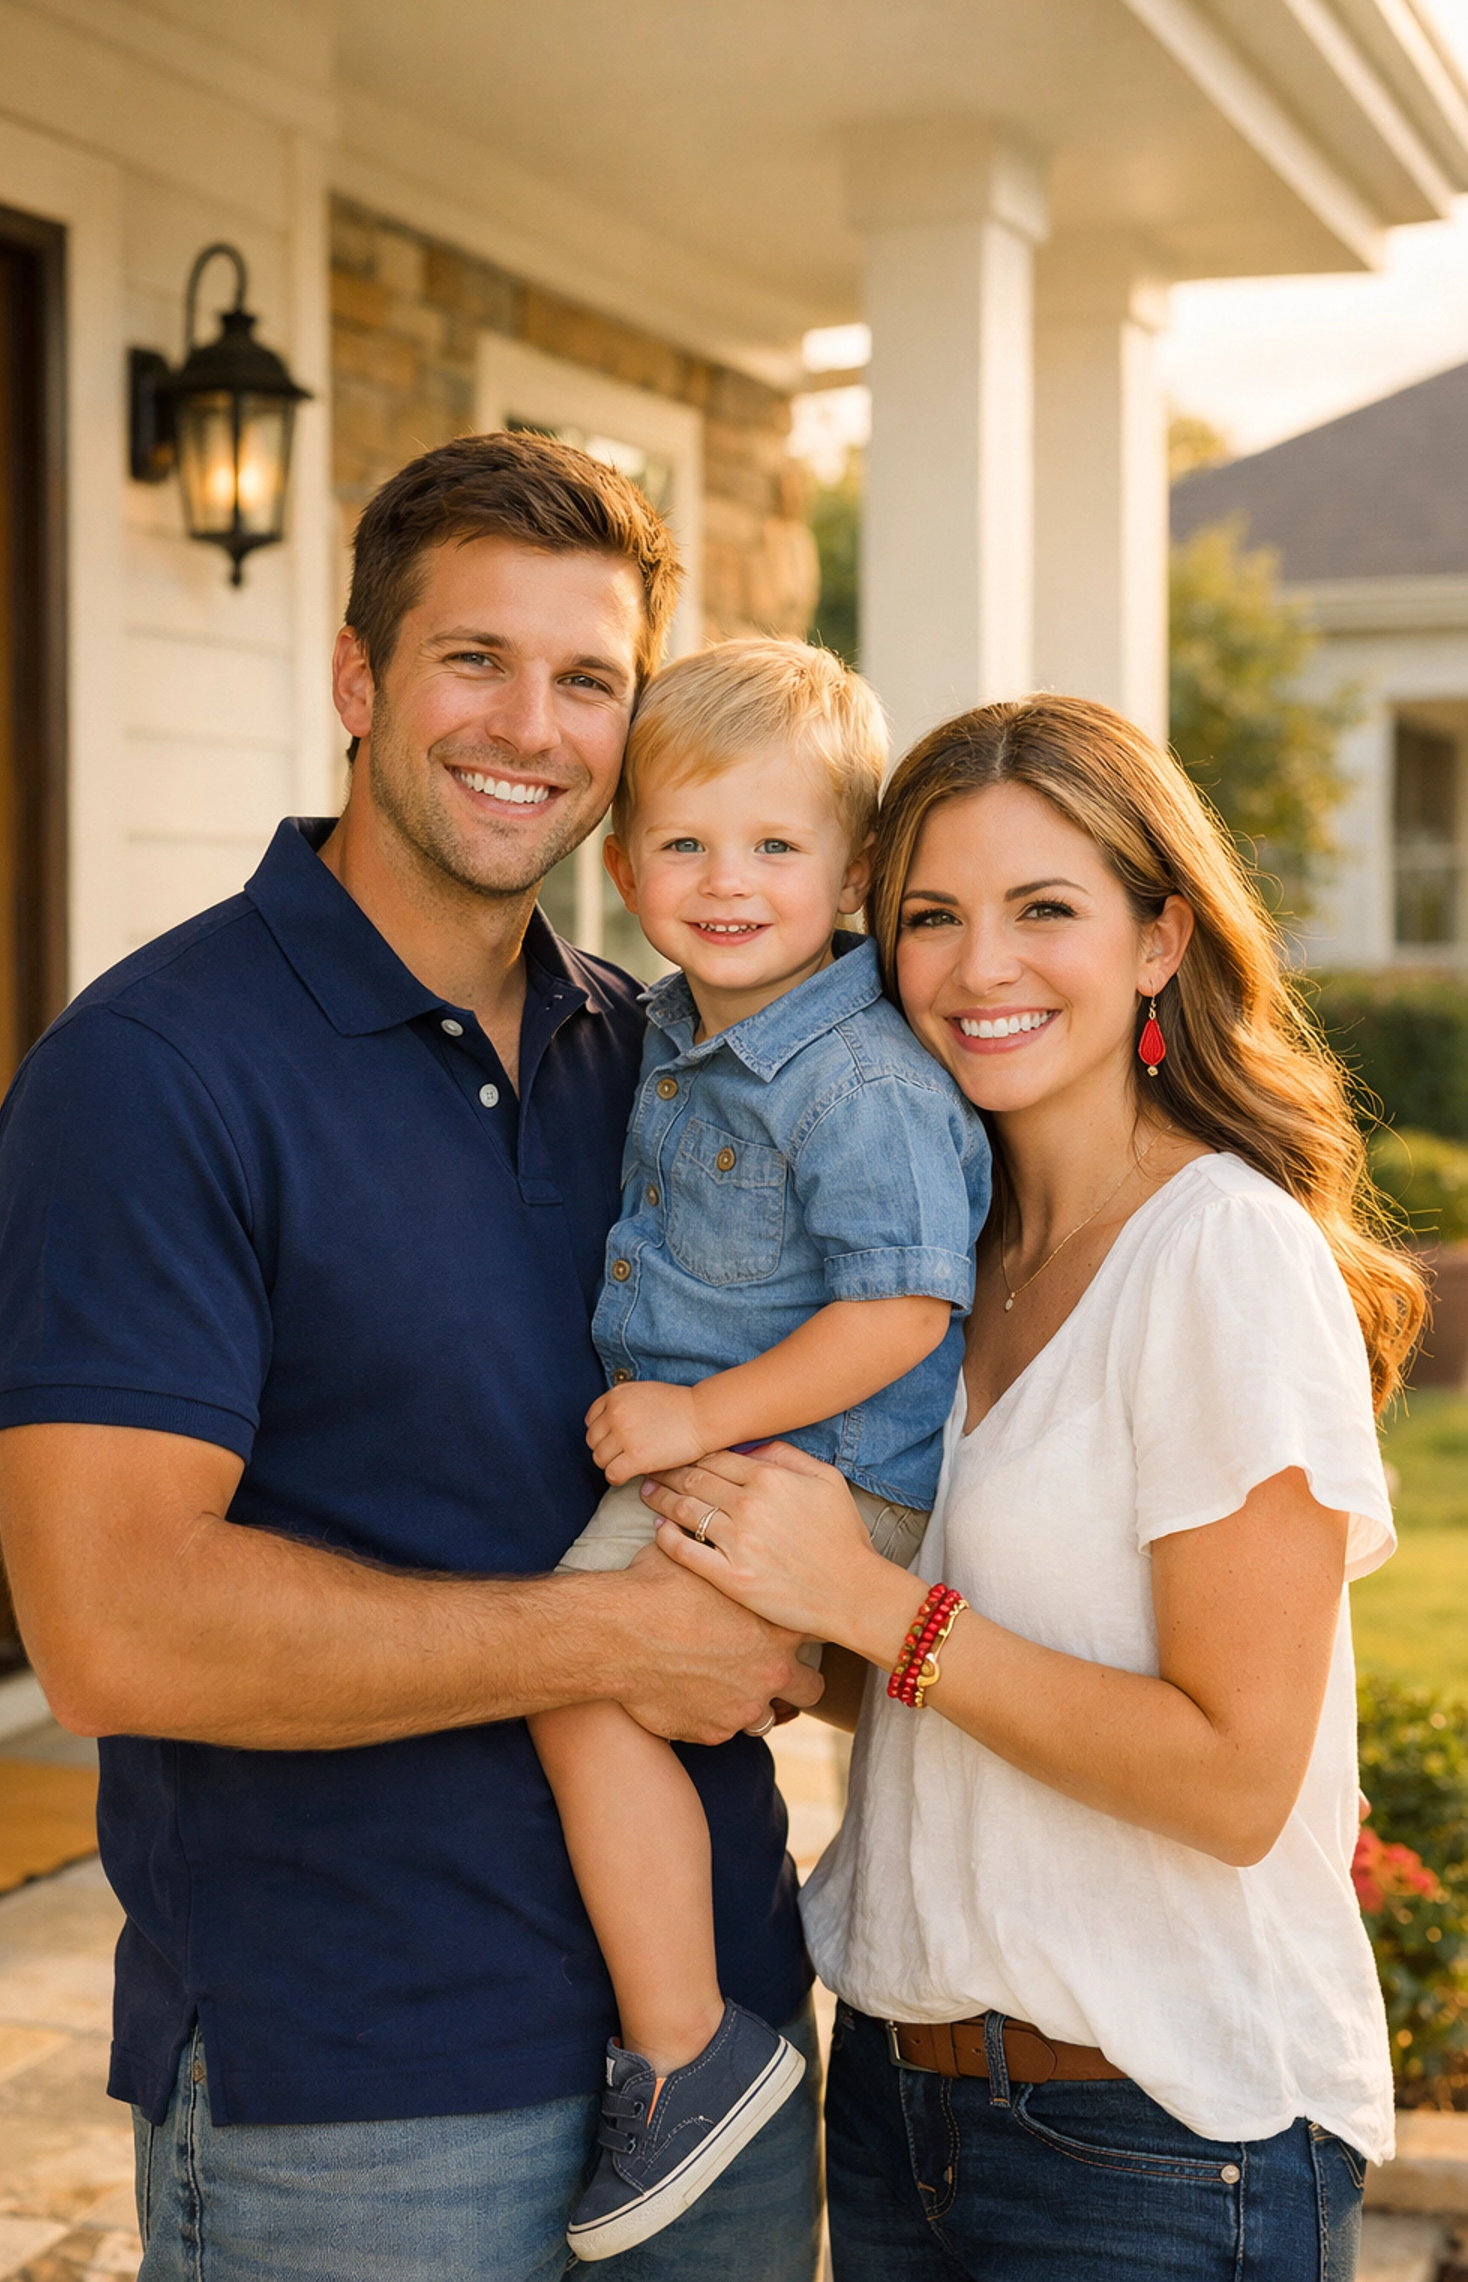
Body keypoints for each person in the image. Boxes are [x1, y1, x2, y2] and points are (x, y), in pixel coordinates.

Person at [0, 431, 827, 2282]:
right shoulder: (155, 1073)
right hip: (359, 2095)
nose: (530, 723)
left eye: (587, 678)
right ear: (360, 680)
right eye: (474, 660)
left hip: (727, 2049)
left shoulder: (675, 1069)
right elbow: (112, 1621)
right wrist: (618, 1638)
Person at [641, 694, 1424, 2282]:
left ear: (1159, 942)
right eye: (931, 916)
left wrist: (867, 1602)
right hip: (899, 2102)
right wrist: (766, 1640)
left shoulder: (1220, 1256)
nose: (979, 967)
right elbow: (968, 1684)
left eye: (1044, 910)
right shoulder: (933, 1271)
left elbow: (1230, 1777)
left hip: (1156, 2140)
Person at [528, 639, 991, 2261]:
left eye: (778, 847)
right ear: (622, 855)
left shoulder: (855, 1074)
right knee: (584, 1685)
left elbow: (903, 1314)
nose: (729, 883)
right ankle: (693, 2027)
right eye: (686, 844)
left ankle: (686, 2049)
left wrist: (695, 1419)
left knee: (574, 1675)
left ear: (857, 871)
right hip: (731, 1465)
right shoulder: (665, 1028)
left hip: (817, 1479)